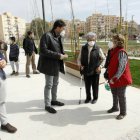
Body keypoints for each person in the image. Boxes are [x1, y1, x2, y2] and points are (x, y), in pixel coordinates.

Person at [37, 19, 68, 114]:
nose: (63, 30)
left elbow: (57, 48)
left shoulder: (58, 37)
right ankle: (47, 105)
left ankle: (53, 100)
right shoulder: (47, 36)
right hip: (48, 65)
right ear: (57, 27)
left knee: (55, 83)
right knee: (49, 85)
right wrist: (59, 56)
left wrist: (63, 54)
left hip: (56, 64)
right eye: (62, 28)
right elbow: (43, 50)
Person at [107, 34, 132, 120]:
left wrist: (115, 78)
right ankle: (115, 107)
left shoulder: (121, 52)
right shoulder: (113, 51)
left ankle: (123, 112)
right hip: (113, 78)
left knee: (121, 95)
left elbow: (122, 67)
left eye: (113, 40)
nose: (111, 42)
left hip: (120, 79)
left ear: (118, 42)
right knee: (114, 93)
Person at [77, 32, 105, 104]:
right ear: (87, 39)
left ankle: (95, 98)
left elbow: (104, 58)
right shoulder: (83, 48)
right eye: (90, 39)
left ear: (95, 39)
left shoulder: (98, 48)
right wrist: (80, 65)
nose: (91, 41)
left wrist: (100, 66)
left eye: (93, 39)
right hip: (86, 70)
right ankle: (88, 98)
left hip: (95, 70)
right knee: (87, 85)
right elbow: (79, 59)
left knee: (95, 86)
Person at [0, 52, 17, 133]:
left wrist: (3, 61)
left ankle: (4, 123)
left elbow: (2, 57)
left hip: (1, 76)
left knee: (1, 102)